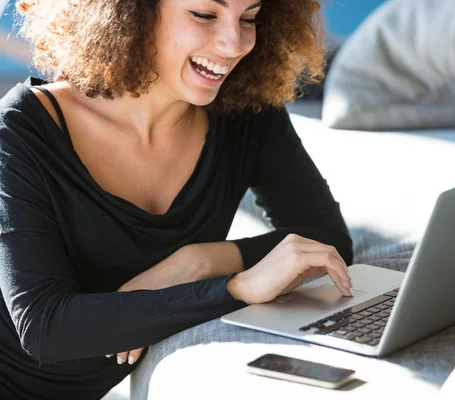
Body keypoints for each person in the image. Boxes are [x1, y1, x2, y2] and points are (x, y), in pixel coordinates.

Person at [0, 0, 353, 398]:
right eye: (204, 15)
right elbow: (45, 328)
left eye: (249, 18)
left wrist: (199, 262)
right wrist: (234, 288)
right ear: (131, 11)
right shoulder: (21, 128)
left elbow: (327, 242)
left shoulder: (246, 112)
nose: (233, 44)